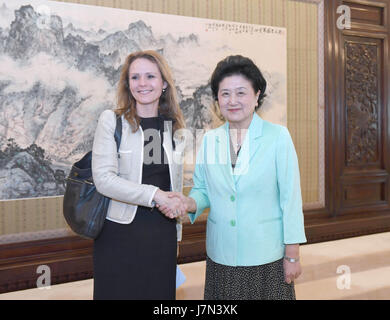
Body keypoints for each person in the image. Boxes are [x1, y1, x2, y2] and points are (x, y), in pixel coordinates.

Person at [161, 55, 307, 300]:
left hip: (266, 257)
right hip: (222, 256)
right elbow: (203, 189)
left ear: (257, 95)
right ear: (217, 99)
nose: (232, 101)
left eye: (241, 93)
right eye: (225, 93)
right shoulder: (209, 140)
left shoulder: (277, 137)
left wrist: (292, 255)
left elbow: (290, 200)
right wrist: (188, 202)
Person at [91, 50, 186, 300]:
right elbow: (104, 180)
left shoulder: (172, 126)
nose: (142, 83)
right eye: (135, 77)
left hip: (161, 236)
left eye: (150, 76)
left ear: (164, 83)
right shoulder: (113, 121)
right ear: (127, 84)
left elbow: (172, 184)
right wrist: (154, 195)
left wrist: (176, 235)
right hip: (119, 234)